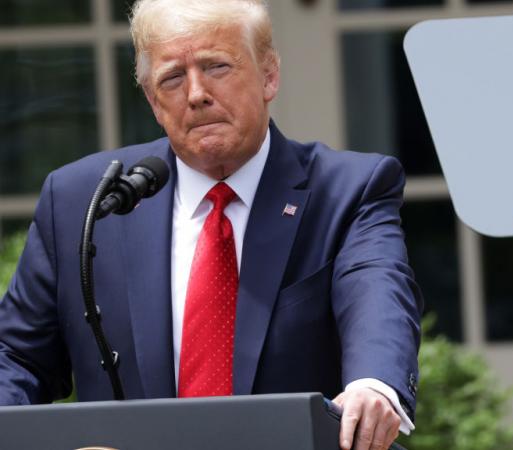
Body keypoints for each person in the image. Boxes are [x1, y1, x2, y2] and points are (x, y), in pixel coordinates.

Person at [0, 1, 422, 449]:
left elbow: (376, 294)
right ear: (153, 101)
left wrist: (374, 385)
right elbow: (17, 356)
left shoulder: (347, 190)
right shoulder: (84, 202)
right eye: (172, 78)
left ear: (269, 75)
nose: (196, 93)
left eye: (216, 66)